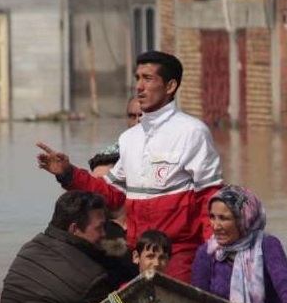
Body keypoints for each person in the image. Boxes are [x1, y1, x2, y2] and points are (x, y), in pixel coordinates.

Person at [36, 51, 223, 282]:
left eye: (148, 78)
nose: (139, 87)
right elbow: (111, 197)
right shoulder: (129, 139)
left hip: (177, 254)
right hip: (137, 254)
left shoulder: (192, 132)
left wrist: (214, 256)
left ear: (170, 86)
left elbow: (210, 200)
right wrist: (68, 174)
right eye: (137, 78)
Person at [0, 191, 132, 303]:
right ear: (74, 229)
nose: (104, 234)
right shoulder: (91, 276)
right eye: (99, 228)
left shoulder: (30, 248)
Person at [191, 185, 287, 303]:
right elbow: (198, 301)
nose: (215, 226)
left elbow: (286, 287)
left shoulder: (267, 245)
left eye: (223, 218)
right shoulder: (207, 253)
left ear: (243, 219)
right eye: (212, 217)